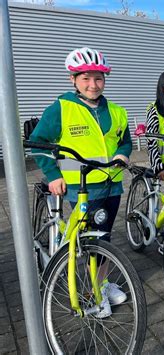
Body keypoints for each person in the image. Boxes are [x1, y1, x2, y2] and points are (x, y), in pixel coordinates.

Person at [30, 47, 131, 317]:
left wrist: (123, 153)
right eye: (86, 78)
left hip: (112, 183)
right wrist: (53, 175)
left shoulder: (117, 111)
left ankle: (104, 284)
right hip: (82, 187)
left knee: (104, 238)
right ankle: (95, 293)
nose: (93, 85)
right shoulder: (61, 108)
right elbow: (38, 145)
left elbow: (125, 140)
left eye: (98, 79)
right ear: (72, 79)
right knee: (90, 242)